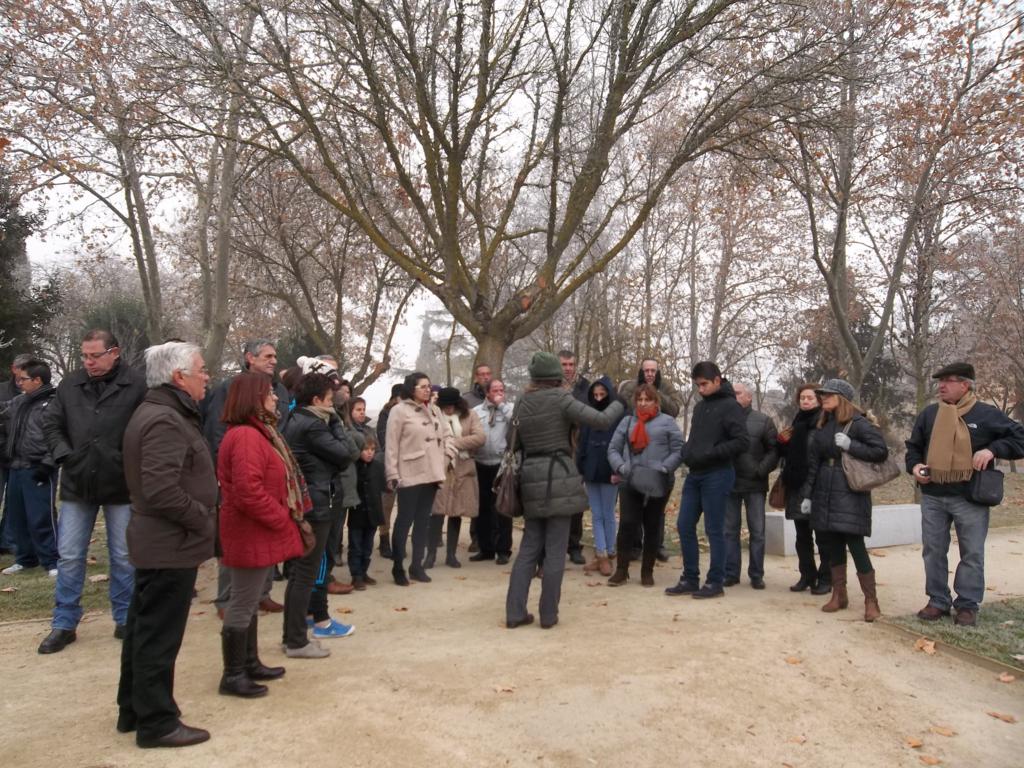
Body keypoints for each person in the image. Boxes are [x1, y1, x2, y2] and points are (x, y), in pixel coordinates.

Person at [115, 342, 217, 749]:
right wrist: (202, 517)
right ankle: (157, 723)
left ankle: (133, 709)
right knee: (158, 635)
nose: (207, 376)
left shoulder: (164, 412)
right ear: (179, 376)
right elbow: (161, 489)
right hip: (168, 542)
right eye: (201, 369)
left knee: (144, 628)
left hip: (162, 541)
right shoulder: (164, 419)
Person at [39, 330, 147, 654]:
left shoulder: (137, 385)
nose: (88, 362)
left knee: (124, 556)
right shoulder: (70, 384)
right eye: (84, 355)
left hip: (121, 483)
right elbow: (51, 423)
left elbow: (147, 428)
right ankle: (64, 622)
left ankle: (125, 618)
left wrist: (126, 459)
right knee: (70, 555)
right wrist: (64, 454)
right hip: (78, 481)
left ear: (114, 352)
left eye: (95, 355)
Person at [505, 352, 624, 629]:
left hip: (530, 476)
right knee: (556, 550)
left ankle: (514, 612)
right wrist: (620, 401)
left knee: (528, 549)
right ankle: (548, 615)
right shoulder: (562, 398)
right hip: (559, 474)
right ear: (556, 375)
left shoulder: (522, 401)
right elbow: (601, 420)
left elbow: (513, 441)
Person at [906, 362, 1024, 627]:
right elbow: (913, 447)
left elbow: (1019, 439)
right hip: (933, 494)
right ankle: (937, 600)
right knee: (933, 551)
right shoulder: (930, 414)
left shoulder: (986, 414)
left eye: (948, 381)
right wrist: (914, 466)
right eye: (940, 381)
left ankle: (967, 605)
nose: (941, 386)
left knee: (971, 553)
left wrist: (993, 450)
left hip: (970, 497)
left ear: (965, 385)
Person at [217, 373, 307, 693]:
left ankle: (249, 662)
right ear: (253, 399)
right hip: (249, 529)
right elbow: (248, 490)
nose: (275, 397)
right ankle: (233, 675)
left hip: (256, 528)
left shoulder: (259, 433)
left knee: (251, 598)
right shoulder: (246, 436)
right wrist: (281, 518)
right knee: (243, 601)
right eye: (269, 393)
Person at [203, 339, 292, 618]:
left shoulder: (280, 390)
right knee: (237, 539)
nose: (273, 360)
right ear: (249, 358)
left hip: (269, 470)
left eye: (275, 356)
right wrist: (225, 471)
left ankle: (262, 594)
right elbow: (217, 430)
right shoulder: (231, 388)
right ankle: (227, 600)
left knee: (264, 540)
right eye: (267, 356)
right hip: (240, 471)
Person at [799, 379, 889, 622]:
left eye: (828, 394)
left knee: (855, 544)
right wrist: (808, 495)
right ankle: (839, 594)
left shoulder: (859, 423)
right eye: (822, 394)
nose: (823, 398)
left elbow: (880, 451)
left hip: (850, 489)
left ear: (843, 398)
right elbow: (814, 464)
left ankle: (871, 601)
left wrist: (852, 445)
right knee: (832, 544)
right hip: (824, 489)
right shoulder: (824, 424)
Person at [281, 373, 358, 654]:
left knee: (302, 571)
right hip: (317, 502)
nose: (332, 405)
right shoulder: (313, 425)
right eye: (328, 400)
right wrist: (336, 421)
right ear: (316, 400)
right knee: (306, 571)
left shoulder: (297, 419)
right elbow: (347, 453)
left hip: (313, 498)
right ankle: (296, 639)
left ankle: (296, 633)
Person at [667, 361, 748, 599]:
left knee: (714, 529)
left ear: (717, 380)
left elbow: (742, 441)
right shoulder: (701, 407)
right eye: (697, 385)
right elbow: (696, 438)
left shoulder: (731, 406)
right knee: (684, 525)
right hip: (695, 474)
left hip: (718, 474)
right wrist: (688, 451)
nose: (700, 389)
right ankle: (690, 578)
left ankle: (715, 582)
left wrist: (711, 453)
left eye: (704, 384)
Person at [606, 383, 683, 587]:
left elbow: (678, 449)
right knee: (627, 524)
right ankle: (621, 570)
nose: (642, 403)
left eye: (647, 399)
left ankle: (647, 572)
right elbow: (613, 448)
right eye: (639, 399)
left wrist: (665, 468)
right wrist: (621, 467)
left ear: (656, 401)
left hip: (657, 482)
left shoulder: (667, 422)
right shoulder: (627, 421)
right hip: (630, 480)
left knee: (652, 526)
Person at [384, 372, 452, 585]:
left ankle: (416, 566)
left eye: (429, 386)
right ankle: (398, 567)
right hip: (409, 473)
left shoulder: (435, 410)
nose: (427, 390)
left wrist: (447, 457)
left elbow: (448, 436)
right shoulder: (399, 411)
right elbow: (391, 445)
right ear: (411, 388)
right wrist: (392, 473)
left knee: (423, 521)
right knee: (404, 520)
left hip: (431, 473)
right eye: (422, 386)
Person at [619, 358, 682, 561]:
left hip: (659, 452)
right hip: (636, 449)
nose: (649, 374)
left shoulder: (667, 387)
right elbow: (624, 407)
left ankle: (656, 546)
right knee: (634, 505)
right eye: (646, 370)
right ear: (641, 371)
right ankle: (635, 545)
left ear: (657, 372)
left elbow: (675, 409)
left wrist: (656, 393)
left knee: (657, 508)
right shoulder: (630, 387)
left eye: (653, 371)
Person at [1, 359, 58, 576]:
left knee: (41, 516)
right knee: (17, 517)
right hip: (16, 466)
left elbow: (59, 436)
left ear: (37, 380)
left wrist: (48, 463)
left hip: (39, 467)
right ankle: (25, 559)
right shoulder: (19, 402)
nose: (19, 382)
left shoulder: (53, 404)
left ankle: (52, 561)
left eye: (23, 379)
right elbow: (3, 412)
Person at [776, 384, 832, 594]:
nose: (805, 401)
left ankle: (826, 579)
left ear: (818, 400)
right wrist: (782, 443)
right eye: (802, 398)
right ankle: (807, 576)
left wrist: (811, 489)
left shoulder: (824, 422)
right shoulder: (797, 422)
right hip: (796, 485)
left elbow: (819, 456)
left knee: (823, 538)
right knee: (802, 537)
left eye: (810, 398)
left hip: (818, 487)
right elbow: (791, 455)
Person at [724, 382, 779, 589]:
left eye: (738, 393)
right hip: (729, 482)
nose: (734, 396)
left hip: (755, 484)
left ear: (749, 397)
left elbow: (774, 451)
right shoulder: (723, 419)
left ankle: (756, 575)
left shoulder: (764, 421)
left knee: (757, 532)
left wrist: (760, 470)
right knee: (729, 531)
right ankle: (731, 573)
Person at [426, 387, 484, 569]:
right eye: (446, 406)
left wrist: (453, 443)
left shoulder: (470, 415)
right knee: (437, 512)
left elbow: (480, 437)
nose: (449, 409)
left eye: (452, 406)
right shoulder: (434, 416)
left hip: (463, 469)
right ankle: (431, 554)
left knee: (456, 513)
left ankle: (451, 555)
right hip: (441, 468)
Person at [575, 377, 625, 577]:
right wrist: (581, 468)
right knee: (596, 514)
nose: (598, 398)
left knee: (608, 513)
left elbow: (621, 445)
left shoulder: (618, 415)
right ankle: (601, 552)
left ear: (609, 394)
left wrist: (618, 470)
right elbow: (582, 443)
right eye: (595, 395)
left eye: (602, 394)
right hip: (591, 470)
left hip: (609, 470)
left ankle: (610, 552)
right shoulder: (589, 415)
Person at [472, 379, 515, 565]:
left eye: (501, 389)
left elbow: (516, 422)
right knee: (483, 508)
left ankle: (503, 549)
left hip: (501, 464)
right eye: (495, 390)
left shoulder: (509, 408)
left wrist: (501, 406)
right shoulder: (476, 411)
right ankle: (486, 548)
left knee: (503, 508)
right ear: (487, 393)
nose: (499, 393)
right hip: (480, 463)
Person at [0, 353, 35, 555]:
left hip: (19, 456)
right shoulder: (2, 391)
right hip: (1, 452)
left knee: (13, 503)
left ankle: (7, 541)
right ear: (14, 369)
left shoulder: (34, 394)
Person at [559, 350, 590, 565]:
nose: (568, 368)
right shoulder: (551, 386)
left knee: (577, 501)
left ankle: (574, 545)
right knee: (558, 500)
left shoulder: (585, 387)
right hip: (557, 448)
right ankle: (556, 546)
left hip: (579, 448)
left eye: (571, 364)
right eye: (564, 364)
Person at [348, 433, 385, 589]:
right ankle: (356, 575)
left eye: (372, 449)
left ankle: (363, 572)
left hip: (373, 513)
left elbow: (383, 487)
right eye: (366, 449)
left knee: (367, 546)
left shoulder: (378, 467)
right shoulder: (352, 467)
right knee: (355, 546)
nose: (370, 452)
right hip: (357, 513)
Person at [376, 383, 403, 559]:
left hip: (408, 464)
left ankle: (398, 540)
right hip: (390, 463)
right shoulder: (386, 413)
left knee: (405, 505)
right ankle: (384, 538)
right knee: (386, 504)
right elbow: (383, 438)